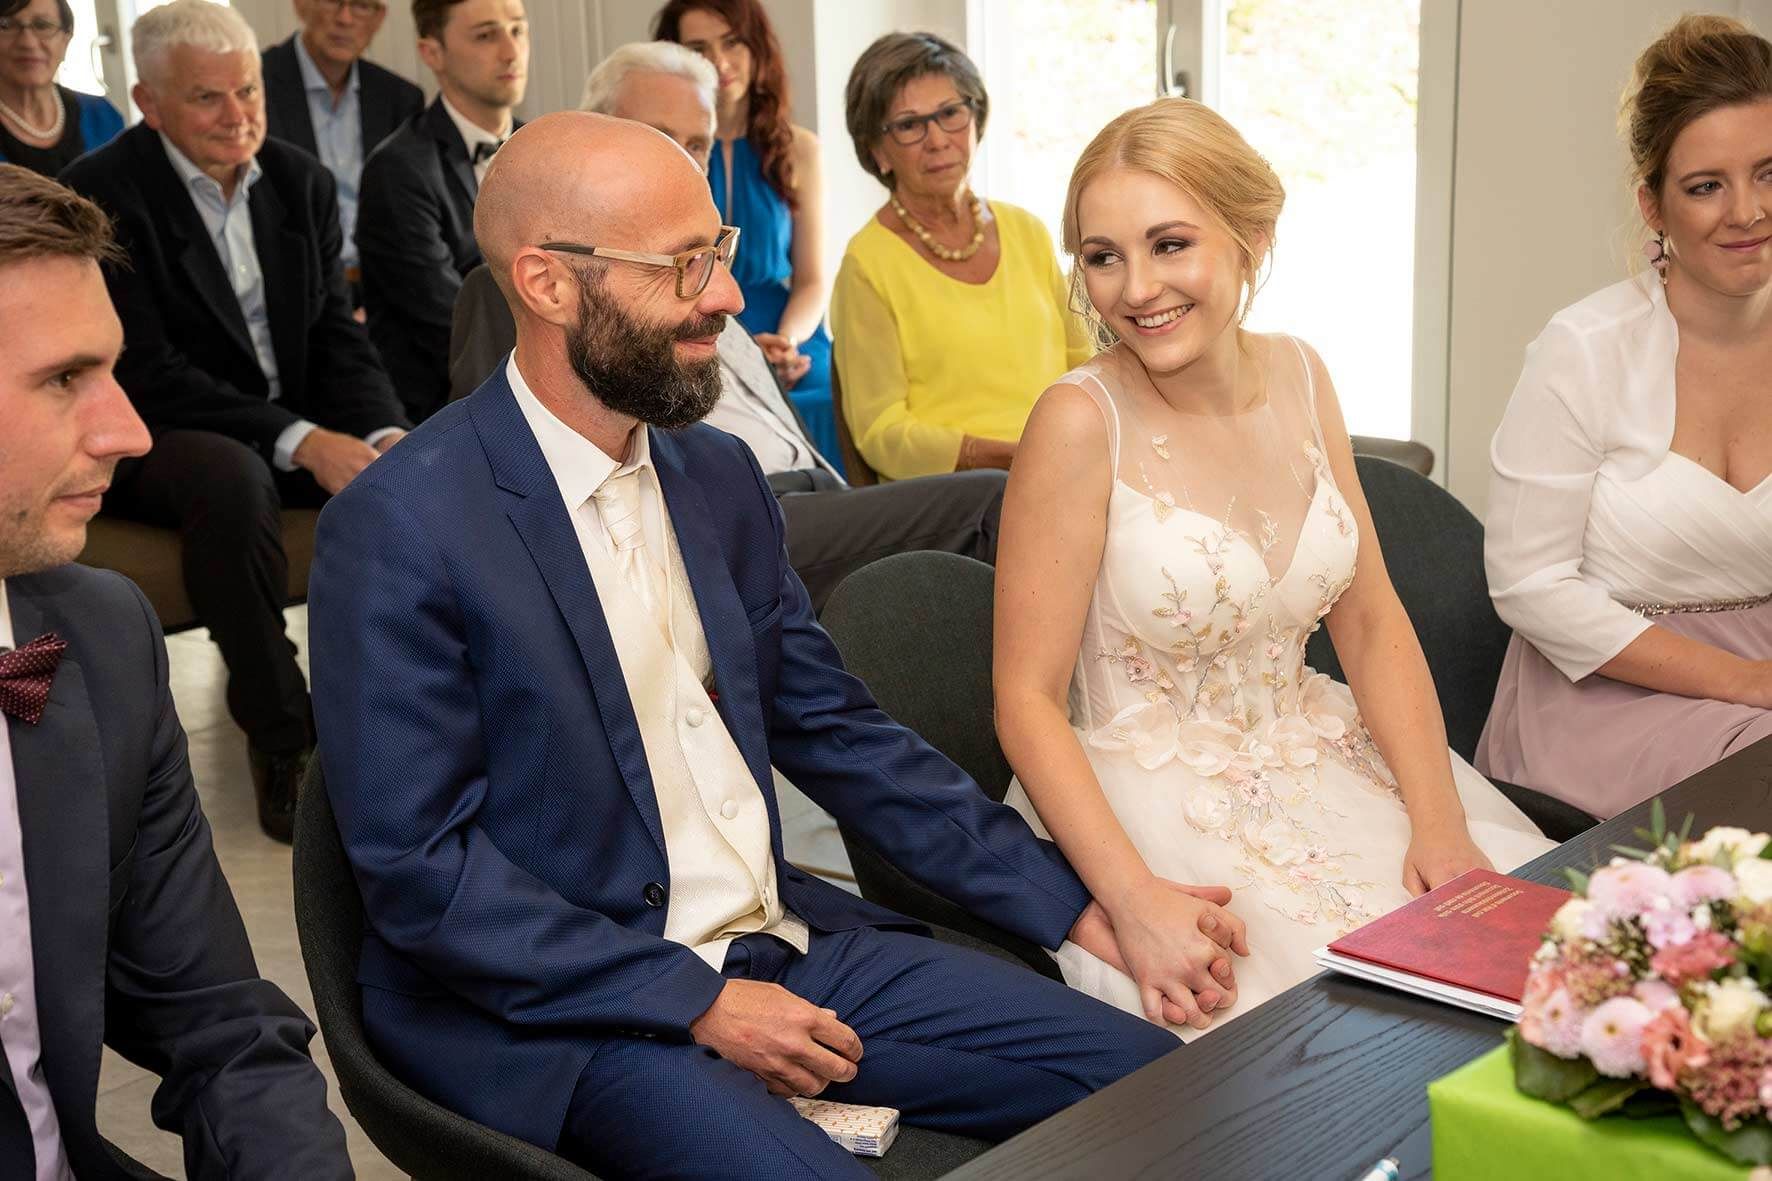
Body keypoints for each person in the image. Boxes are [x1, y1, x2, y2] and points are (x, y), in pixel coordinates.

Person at [309, 112, 1190, 1180]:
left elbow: (841, 733)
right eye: (683, 265)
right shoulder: (401, 525)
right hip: (568, 1014)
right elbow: (424, 871)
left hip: (782, 945)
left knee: (1166, 1086)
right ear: (547, 284)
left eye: (718, 252)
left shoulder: (717, 475)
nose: (727, 297)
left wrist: (1076, 906)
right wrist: (693, 1000)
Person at [993, 97, 1554, 1038]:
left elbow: (1369, 620)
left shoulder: (1301, 373)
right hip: (1151, 807)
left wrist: (1439, 820)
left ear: (1251, 236)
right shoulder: (1079, 421)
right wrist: (1131, 896)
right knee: (1349, 1041)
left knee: (1539, 975)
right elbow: (1025, 700)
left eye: (1170, 244)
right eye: (1103, 256)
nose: (1136, 288)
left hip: (1323, 750)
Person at [0, 163, 351, 1181]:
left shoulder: (103, 638)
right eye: (64, 378)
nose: (130, 430)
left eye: (111, 370)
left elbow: (220, 1021)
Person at [443, 39, 1009, 610]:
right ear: (602, 136)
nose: (685, 161)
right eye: (662, 137)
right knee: (996, 503)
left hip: (809, 492)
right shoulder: (526, 286)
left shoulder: (710, 279)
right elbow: (508, 472)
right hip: (712, 521)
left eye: (699, 143)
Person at [60, 0, 410, 842]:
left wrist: (383, 433)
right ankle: (287, 741)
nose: (237, 115)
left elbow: (336, 337)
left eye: (247, 90)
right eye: (207, 97)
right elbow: (145, 370)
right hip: (153, 433)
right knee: (232, 476)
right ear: (148, 103)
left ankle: (400, 724)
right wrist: (300, 439)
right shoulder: (101, 194)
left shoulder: (299, 180)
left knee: (409, 468)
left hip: (275, 418)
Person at [1476, 16, 1772, 820]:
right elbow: (1529, 585)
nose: (1748, 211)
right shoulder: (1583, 349)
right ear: (1653, 206)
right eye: (1706, 186)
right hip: (1604, 698)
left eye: (1768, 173)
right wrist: (1746, 682)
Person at [832, 32, 1090, 481]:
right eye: (909, 125)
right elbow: (881, 432)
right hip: (957, 495)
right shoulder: (866, 262)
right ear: (877, 150)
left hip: (1064, 465)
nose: (937, 139)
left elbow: (1085, 362)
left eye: (950, 113)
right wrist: (1006, 457)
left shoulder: (1027, 230)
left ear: (975, 118)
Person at [655, 0, 830, 420]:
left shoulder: (800, 149)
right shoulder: (661, 150)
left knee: (820, 398)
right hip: (694, 323)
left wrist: (786, 342)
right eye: (698, 49)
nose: (719, 62)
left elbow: (812, 281)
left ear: (756, 48)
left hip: (786, 327)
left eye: (732, 42)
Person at [356, 0, 527, 421]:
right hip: (446, 413)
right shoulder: (398, 169)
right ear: (432, 53)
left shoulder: (546, 149)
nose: (511, 52)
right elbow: (455, 327)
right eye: (486, 35)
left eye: (517, 30)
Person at [261, 0, 424, 287]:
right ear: (301, 5)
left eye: (362, 5)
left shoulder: (400, 99)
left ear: (379, 18)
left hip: (383, 285)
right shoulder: (254, 88)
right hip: (297, 283)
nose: (345, 19)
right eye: (333, 1)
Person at [0, 0, 122, 176]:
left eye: (42, 25)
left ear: (66, 39)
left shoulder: (102, 116)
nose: (27, 42)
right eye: (6, 25)